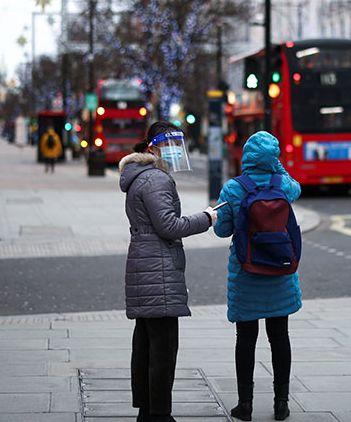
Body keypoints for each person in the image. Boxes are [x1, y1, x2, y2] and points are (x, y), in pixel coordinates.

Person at [119, 121, 217, 422]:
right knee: (163, 348)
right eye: (172, 147)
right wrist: (208, 218)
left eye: (179, 148)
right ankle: (159, 415)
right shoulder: (156, 180)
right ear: (155, 147)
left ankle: (147, 410)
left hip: (145, 263)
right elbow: (169, 226)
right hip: (157, 267)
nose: (177, 153)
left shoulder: (141, 176)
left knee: (146, 344)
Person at [213, 131, 302, 421]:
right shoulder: (284, 185)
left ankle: (245, 405)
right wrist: (277, 168)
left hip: (246, 272)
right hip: (280, 272)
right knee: (280, 337)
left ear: (247, 156)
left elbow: (222, 230)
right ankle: (281, 403)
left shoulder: (233, 188)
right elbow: (295, 187)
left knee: (246, 338)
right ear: (274, 158)